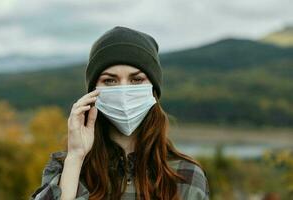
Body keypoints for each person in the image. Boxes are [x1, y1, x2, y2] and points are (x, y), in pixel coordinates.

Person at [30, 26, 210, 200]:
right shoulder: (66, 169)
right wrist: (76, 156)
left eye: (136, 79)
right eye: (110, 81)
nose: (124, 91)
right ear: (93, 92)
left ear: (153, 90)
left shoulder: (186, 175)